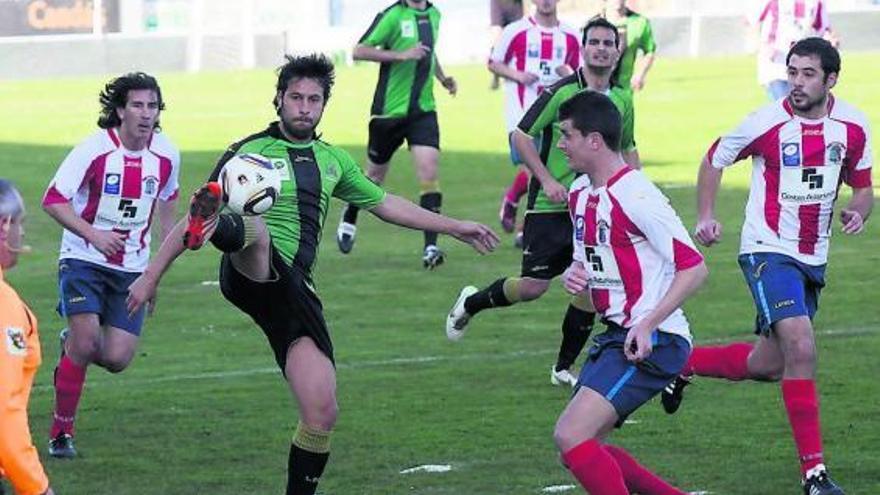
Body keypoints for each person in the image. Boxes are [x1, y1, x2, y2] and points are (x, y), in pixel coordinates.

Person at [125, 54, 499, 495]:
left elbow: (386, 204)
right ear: (279, 99)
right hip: (248, 268)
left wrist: (454, 226)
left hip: (292, 290)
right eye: (296, 97)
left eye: (313, 99)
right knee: (254, 230)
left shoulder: (332, 160)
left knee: (322, 411)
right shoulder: (248, 152)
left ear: (324, 105)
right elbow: (195, 217)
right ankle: (227, 227)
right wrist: (151, 276)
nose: (304, 107)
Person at [662, 38, 871, 495]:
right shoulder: (766, 122)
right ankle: (814, 475)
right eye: (792, 71)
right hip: (767, 248)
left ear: (831, 79)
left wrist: (859, 209)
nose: (796, 82)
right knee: (801, 345)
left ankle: (682, 363)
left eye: (807, 74)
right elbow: (715, 157)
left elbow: (861, 185)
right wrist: (705, 215)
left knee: (768, 364)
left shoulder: (853, 126)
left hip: (813, 256)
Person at [447, 17, 639, 388]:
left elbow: (627, 147)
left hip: (598, 208)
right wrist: (547, 180)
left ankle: (563, 368)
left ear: (617, 51)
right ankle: (471, 302)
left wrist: (638, 192)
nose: (601, 48)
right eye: (594, 41)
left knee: (591, 286)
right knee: (534, 288)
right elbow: (521, 135)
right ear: (583, 49)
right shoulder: (562, 93)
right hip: (552, 207)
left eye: (607, 43)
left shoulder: (623, 99)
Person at [554, 90, 706, 495]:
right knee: (583, 447)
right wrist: (577, 271)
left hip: (655, 339)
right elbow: (587, 257)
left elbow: (694, 267)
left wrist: (648, 323)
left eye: (566, 135)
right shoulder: (579, 194)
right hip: (616, 335)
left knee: (572, 437)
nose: (559, 144)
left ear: (594, 140)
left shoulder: (638, 196)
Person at [41, 72, 180, 458]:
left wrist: (155, 274)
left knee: (117, 358)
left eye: (152, 105)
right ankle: (60, 434)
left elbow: (169, 204)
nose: (145, 113)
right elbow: (53, 199)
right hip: (83, 258)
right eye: (137, 105)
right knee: (87, 343)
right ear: (119, 110)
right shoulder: (94, 150)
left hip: (132, 266)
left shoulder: (167, 155)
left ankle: (71, 347)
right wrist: (93, 235)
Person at [336, 0, 458, 269]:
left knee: (429, 173)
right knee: (374, 178)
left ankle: (430, 247)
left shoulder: (434, 13)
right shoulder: (392, 15)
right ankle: (351, 211)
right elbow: (359, 50)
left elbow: (430, 52)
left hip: (423, 111)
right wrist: (400, 55)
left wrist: (442, 77)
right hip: (388, 113)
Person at [489, 0, 580, 243]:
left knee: (545, 172)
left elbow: (579, 74)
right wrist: (517, 75)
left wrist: (567, 74)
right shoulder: (515, 31)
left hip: (558, 118)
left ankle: (515, 209)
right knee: (536, 172)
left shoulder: (571, 35)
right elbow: (493, 62)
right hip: (521, 116)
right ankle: (525, 228)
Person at [0, 180, 56, 495]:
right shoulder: (4, 307)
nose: (21, 234)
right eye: (19, 223)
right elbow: (3, 417)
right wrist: (37, 488)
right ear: (3, 225)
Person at [749, 0, 838, 100]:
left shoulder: (816, 2)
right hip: (776, 63)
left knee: (802, 109)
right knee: (784, 106)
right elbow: (752, 21)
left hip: (805, 65)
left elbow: (823, 28)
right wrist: (762, 44)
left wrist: (831, 40)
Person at [601, 0, 657, 92]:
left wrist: (640, 74)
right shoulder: (592, 24)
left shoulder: (640, 22)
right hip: (596, 94)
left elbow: (650, 51)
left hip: (624, 93)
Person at [489, 0, 526, 90]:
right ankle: (496, 75)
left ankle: (516, 73)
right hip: (498, 4)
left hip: (515, 6)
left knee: (517, 39)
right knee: (496, 39)